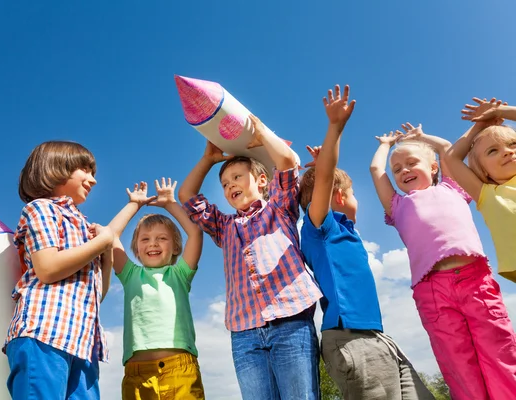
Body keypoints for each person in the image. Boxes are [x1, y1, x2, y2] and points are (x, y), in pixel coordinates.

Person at [299, 84, 433, 400]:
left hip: (377, 336)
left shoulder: (345, 231)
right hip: (351, 339)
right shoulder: (321, 227)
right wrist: (335, 129)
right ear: (339, 195)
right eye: (354, 193)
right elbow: (327, 178)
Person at [179, 114, 323, 399]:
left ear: (261, 180)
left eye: (236, 177)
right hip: (245, 333)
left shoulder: (279, 209)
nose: (230, 185)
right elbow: (186, 195)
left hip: (291, 322)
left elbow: (286, 164)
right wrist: (208, 160)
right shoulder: (224, 227)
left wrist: (260, 132)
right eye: (224, 184)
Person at [370, 122, 516, 399]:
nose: (404, 171)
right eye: (397, 169)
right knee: (457, 363)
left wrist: (422, 137)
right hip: (433, 292)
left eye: (412, 163)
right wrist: (385, 146)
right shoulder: (398, 206)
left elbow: (448, 149)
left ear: (434, 167)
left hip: (475, 280)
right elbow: (376, 171)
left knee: (498, 350)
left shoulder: (453, 187)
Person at [4, 140, 113, 399]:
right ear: (56, 168)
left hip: (83, 343)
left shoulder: (84, 226)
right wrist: (101, 242)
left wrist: (105, 251)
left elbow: (99, 294)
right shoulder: (41, 208)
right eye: (84, 170)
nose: (92, 180)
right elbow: (48, 268)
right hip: (45, 334)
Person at [109, 178, 205, 399]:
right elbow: (110, 236)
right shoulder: (130, 274)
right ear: (136, 249)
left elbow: (195, 233)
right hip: (137, 374)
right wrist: (135, 204)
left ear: (175, 247)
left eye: (162, 238)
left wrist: (170, 203)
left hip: (180, 370)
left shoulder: (179, 274)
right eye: (145, 239)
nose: (153, 243)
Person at [445, 97, 516, 282]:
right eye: (493, 151)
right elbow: (452, 158)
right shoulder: (488, 195)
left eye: (513, 144)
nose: (507, 151)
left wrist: (500, 111)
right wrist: (480, 125)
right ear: (483, 170)